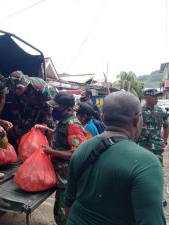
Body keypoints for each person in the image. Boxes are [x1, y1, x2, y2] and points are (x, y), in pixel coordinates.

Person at [65, 91, 165, 225]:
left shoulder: (81, 149)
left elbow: (69, 205)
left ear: (102, 116)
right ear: (137, 119)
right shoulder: (147, 163)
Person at [34, 91, 86, 225]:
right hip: (61, 177)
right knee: (58, 212)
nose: (53, 111)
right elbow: (63, 137)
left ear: (69, 109)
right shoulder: (63, 121)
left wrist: (51, 151)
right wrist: (46, 129)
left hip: (68, 179)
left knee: (63, 215)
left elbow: (76, 153)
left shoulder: (73, 125)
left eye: (57, 108)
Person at [7, 70, 57, 146]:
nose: (16, 92)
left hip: (45, 106)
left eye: (18, 89)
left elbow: (50, 106)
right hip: (31, 105)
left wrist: (44, 123)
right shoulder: (15, 93)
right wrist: (16, 124)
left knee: (47, 130)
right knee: (24, 129)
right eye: (14, 90)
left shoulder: (40, 87)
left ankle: (48, 150)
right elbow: (15, 108)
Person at [138, 88, 169, 165]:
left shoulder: (161, 111)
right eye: (154, 96)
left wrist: (165, 140)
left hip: (157, 145)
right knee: (142, 166)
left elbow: (166, 126)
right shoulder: (139, 111)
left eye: (157, 96)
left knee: (157, 165)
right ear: (146, 98)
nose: (157, 99)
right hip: (142, 144)